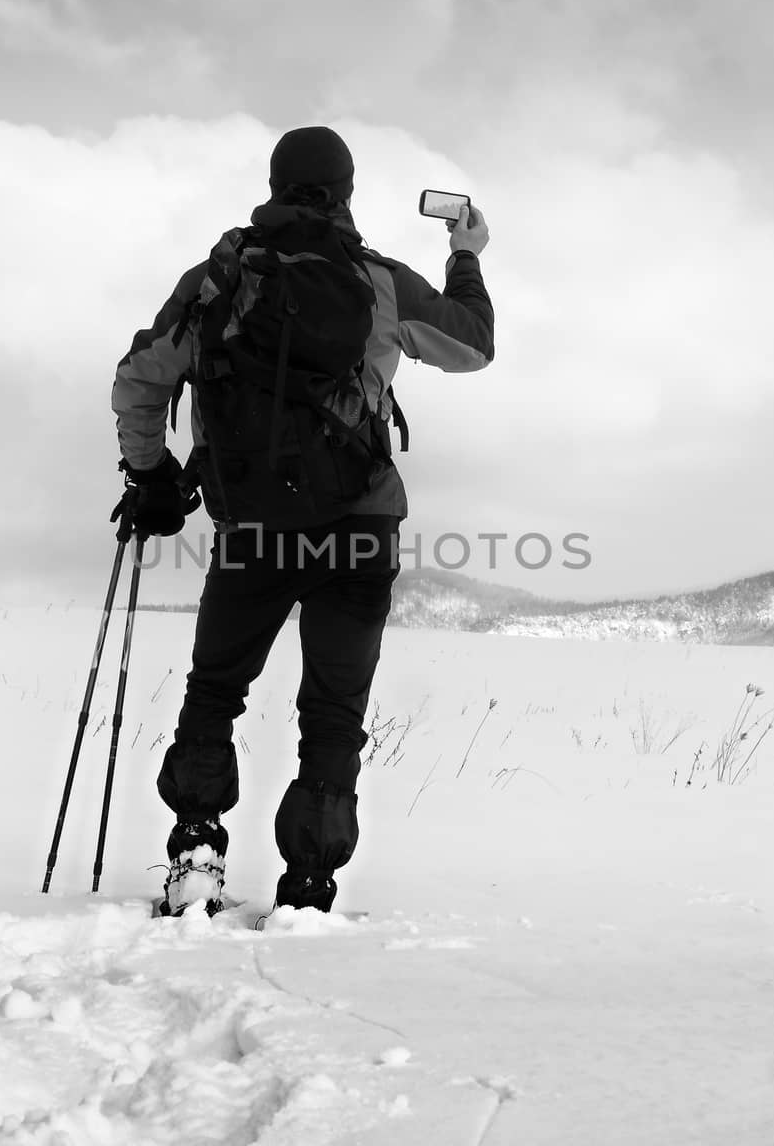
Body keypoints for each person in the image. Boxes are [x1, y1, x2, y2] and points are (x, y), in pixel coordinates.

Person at [110, 125, 493, 916]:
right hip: (358, 531)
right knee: (333, 712)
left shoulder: (218, 278)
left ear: (276, 184)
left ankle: (195, 857)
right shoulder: (378, 282)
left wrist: (149, 475)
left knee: (215, 690)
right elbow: (474, 347)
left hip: (252, 530)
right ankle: (309, 888)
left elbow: (140, 380)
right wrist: (466, 254)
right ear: (347, 192)